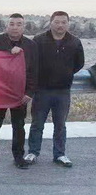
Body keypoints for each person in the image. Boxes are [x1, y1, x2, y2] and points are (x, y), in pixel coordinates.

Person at [25, 11, 85, 167]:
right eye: (57, 22)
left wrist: (65, 73)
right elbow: (31, 61)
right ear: (50, 23)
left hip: (62, 91)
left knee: (60, 125)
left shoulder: (75, 42)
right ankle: (33, 152)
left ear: (68, 24)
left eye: (64, 22)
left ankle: (60, 154)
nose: (60, 25)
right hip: (42, 90)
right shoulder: (39, 40)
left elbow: (79, 63)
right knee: (37, 124)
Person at [0, 14, 37, 169]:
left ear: (24, 27)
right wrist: (9, 51)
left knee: (18, 126)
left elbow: (34, 70)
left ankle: (18, 157)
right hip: (0, 91)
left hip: (20, 92)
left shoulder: (30, 45)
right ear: (7, 26)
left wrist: (29, 92)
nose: (15, 27)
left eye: (19, 24)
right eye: (12, 24)